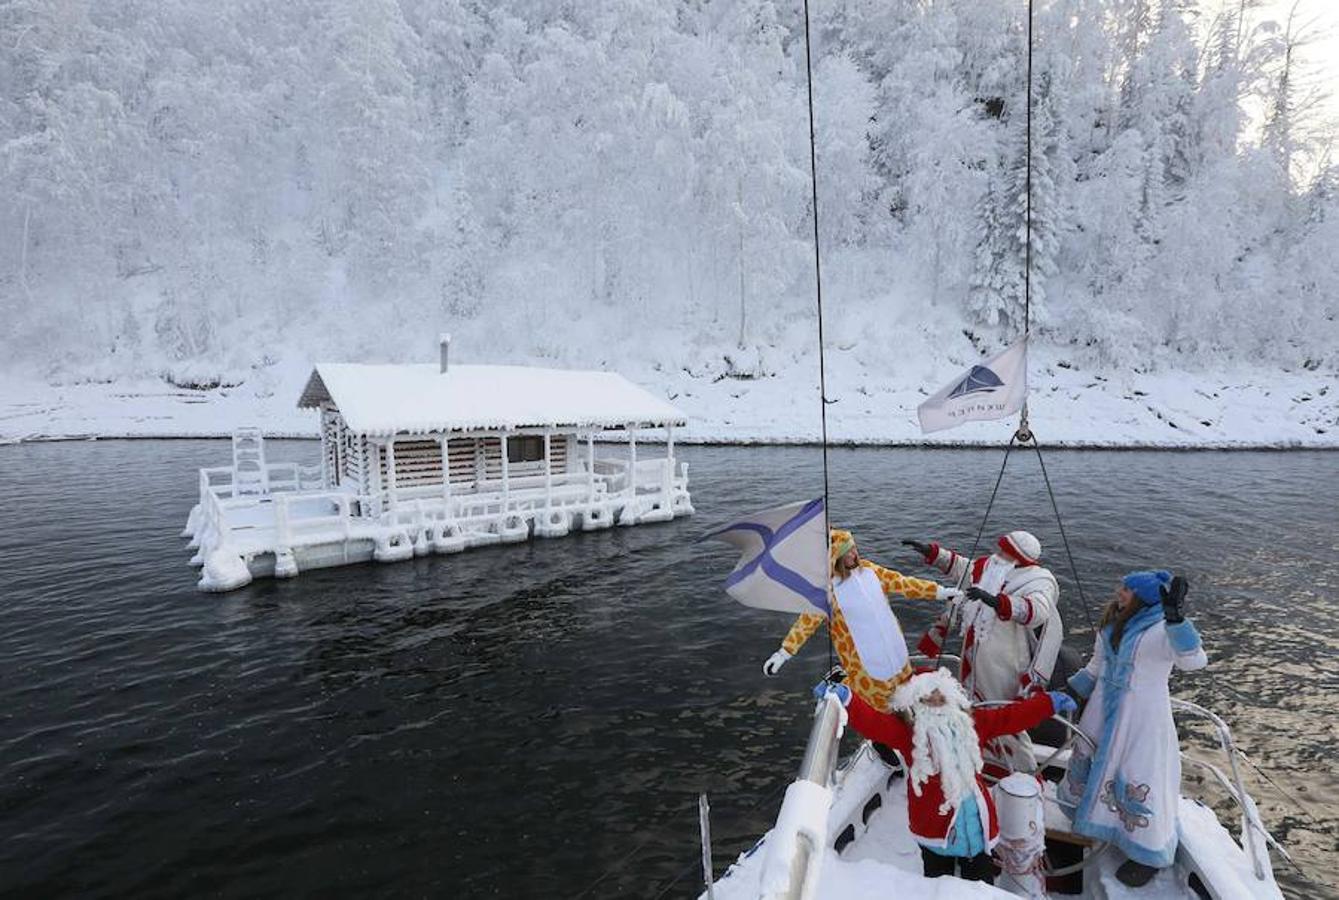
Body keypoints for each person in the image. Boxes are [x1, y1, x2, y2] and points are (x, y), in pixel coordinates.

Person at [815, 669, 1076, 884]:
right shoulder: (908, 735)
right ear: (914, 703)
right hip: (935, 831)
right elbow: (874, 723)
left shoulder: (971, 723)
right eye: (928, 696)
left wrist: (1047, 703)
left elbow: (1010, 717)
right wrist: (847, 698)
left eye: (940, 693)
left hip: (977, 830)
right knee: (937, 885)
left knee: (980, 885)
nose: (936, 700)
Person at [1056, 571, 1207, 889]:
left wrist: (1178, 621)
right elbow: (1097, 667)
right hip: (1101, 709)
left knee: (1139, 773)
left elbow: (1194, 661)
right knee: (1090, 759)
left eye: (1127, 589)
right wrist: (1067, 693)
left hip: (1142, 716)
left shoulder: (1163, 629)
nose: (1119, 592)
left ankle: (1147, 854)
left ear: (1143, 597)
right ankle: (1097, 823)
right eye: (1121, 585)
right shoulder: (1112, 621)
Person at [902, 531, 1063, 775]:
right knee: (973, 709)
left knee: (1005, 717)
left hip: (1005, 663)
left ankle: (1021, 771)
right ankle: (977, 759)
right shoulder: (991, 566)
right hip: (974, 658)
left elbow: (1037, 612)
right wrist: (932, 553)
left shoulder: (1039, 580)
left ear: (1018, 557)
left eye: (1004, 550)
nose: (997, 554)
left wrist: (995, 601)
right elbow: (964, 568)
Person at [762, 529, 960, 711]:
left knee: (908, 697)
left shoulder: (869, 570)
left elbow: (903, 583)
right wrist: (783, 653)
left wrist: (941, 592)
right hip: (865, 666)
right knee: (881, 711)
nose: (854, 554)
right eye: (847, 552)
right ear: (836, 557)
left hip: (895, 652)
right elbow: (806, 623)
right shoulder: (827, 592)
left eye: (854, 549)